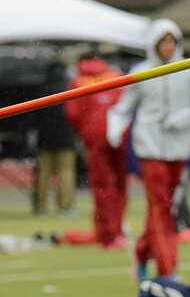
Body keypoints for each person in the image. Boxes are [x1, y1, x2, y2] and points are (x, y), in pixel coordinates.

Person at [107, 18, 190, 281]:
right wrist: (115, 128)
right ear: (153, 44)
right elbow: (123, 107)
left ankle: (143, 251)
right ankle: (168, 269)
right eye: (162, 41)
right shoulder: (141, 72)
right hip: (150, 147)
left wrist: (184, 117)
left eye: (171, 40)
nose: (167, 46)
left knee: (166, 208)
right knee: (160, 208)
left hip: (180, 147)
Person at [64, 52, 128, 249]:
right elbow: (127, 104)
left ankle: (107, 235)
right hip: (120, 134)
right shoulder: (117, 75)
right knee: (119, 184)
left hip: (95, 138)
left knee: (102, 187)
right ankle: (117, 230)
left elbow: (73, 113)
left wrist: (86, 132)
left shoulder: (78, 81)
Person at [32, 62, 77, 216]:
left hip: (45, 138)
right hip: (66, 137)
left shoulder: (42, 88)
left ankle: (40, 207)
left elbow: (35, 116)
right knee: (66, 173)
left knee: (43, 174)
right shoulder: (68, 86)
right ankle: (65, 207)